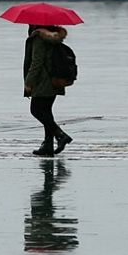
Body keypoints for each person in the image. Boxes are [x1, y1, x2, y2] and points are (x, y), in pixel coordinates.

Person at [23, 25, 73, 156]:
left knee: (36, 110)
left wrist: (29, 82)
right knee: (46, 112)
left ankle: (60, 135)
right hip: (54, 80)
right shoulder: (54, 36)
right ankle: (48, 145)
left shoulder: (39, 38)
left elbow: (36, 62)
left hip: (42, 81)